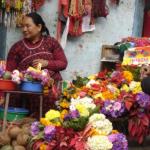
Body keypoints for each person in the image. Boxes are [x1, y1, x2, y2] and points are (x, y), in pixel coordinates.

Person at [6, 12, 68, 117]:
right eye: (22, 26)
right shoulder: (16, 48)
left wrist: (46, 63)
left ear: (39, 27)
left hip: (50, 90)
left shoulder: (51, 42)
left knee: (52, 119)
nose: (24, 29)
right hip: (27, 91)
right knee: (26, 122)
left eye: (28, 26)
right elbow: (9, 72)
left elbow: (63, 63)